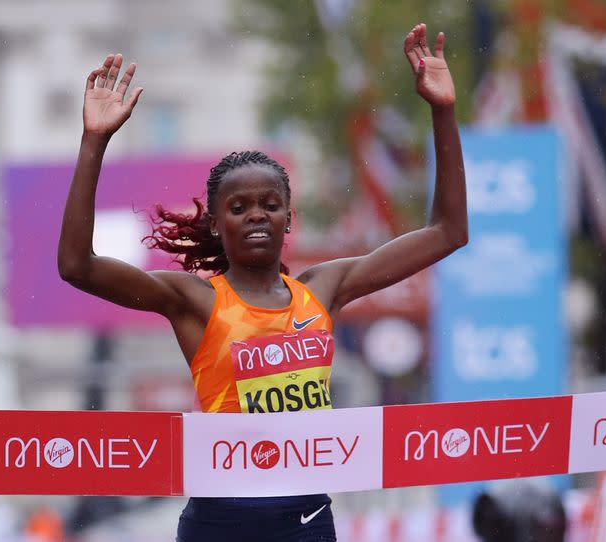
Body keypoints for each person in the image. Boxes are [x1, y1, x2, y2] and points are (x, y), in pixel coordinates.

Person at [58, 21, 466, 542]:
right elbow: (76, 265)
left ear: (289, 218)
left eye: (270, 206)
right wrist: (94, 141)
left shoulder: (323, 290)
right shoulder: (196, 301)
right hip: (219, 522)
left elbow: (448, 232)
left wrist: (443, 110)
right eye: (239, 207)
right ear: (215, 223)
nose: (256, 216)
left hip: (306, 520)